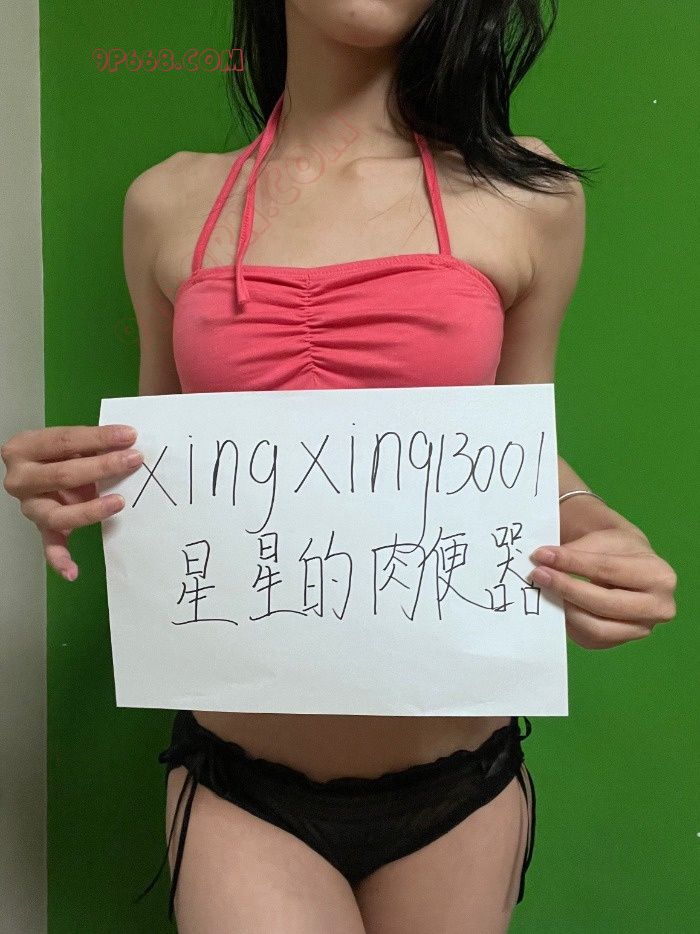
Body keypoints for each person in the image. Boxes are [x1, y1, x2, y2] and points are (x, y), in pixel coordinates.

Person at [1, 1, 678, 931]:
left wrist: (598, 534)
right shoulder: (166, 202)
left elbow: (520, 453)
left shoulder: (530, 194)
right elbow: (157, 459)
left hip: (458, 787)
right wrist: (73, 483)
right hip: (241, 786)